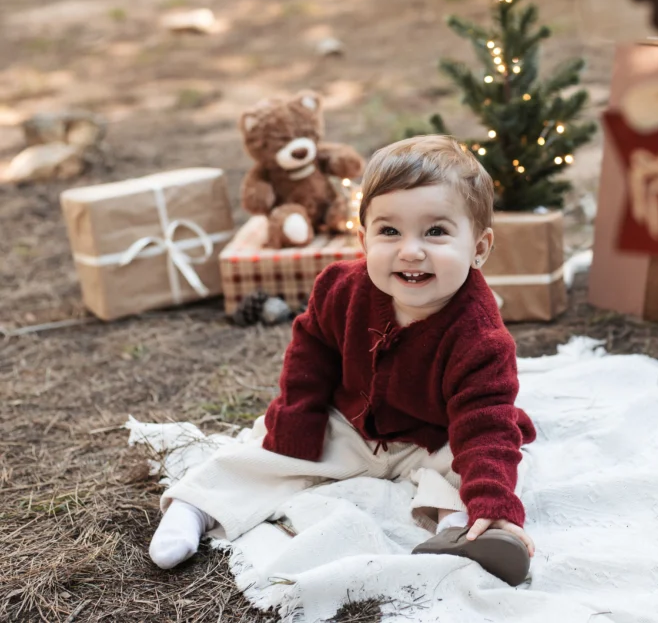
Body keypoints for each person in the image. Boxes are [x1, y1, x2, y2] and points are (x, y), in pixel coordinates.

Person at [148, 135, 536, 586]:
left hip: (433, 435)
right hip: (350, 422)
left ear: (479, 249)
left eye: (435, 232)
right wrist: (299, 418)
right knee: (268, 452)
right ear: (363, 239)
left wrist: (493, 500)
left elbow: (484, 422)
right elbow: (309, 356)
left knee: (492, 462)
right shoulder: (341, 289)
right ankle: (196, 506)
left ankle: (469, 528)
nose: (411, 250)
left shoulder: (481, 337)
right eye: (389, 231)